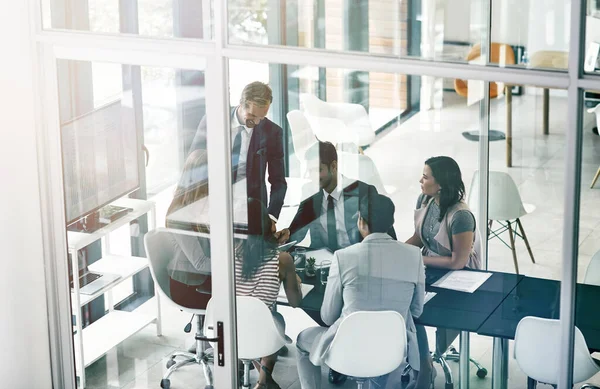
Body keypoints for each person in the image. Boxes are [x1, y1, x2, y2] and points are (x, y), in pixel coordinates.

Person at [295, 193, 425, 389]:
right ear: (392, 222)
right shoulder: (414, 255)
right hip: (392, 350)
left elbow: (328, 317)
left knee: (301, 340)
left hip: (347, 349)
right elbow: (416, 311)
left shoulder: (343, 257)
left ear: (361, 222)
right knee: (379, 361)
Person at [406, 156, 481, 389]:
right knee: (406, 301)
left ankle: (426, 365)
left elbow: (458, 262)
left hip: (461, 277)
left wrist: (418, 259)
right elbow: (419, 237)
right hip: (431, 267)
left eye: (426, 176)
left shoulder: (461, 216)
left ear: (441, 184)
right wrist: (396, 253)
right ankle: (423, 362)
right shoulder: (426, 199)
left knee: (419, 306)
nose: (420, 180)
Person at [189, 81, 287, 225]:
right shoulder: (213, 120)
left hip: (252, 210)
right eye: (252, 116)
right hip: (213, 205)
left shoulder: (272, 132)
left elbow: (278, 180)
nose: (257, 122)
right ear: (242, 104)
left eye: (262, 117)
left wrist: (271, 216)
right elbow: (193, 163)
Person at [235, 198, 303, 389]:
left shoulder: (230, 251)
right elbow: (295, 302)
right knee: (275, 318)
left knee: (253, 315)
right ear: (267, 224)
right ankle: (264, 380)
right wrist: (294, 279)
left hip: (229, 330)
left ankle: (239, 365)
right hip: (261, 334)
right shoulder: (282, 260)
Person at [277, 141, 397, 249]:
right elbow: (297, 230)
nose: (312, 177)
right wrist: (286, 234)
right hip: (322, 261)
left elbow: (384, 234)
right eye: (310, 171)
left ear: (333, 166)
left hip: (356, 259)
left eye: (318, 170)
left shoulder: (363, 192)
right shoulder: (310, 191)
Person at [165, 149, 212, 310]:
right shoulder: (179, 215)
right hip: (189, 288)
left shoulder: (206, 202)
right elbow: (200, 263)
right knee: (242, 299)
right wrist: (235, 267)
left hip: (208, 278)